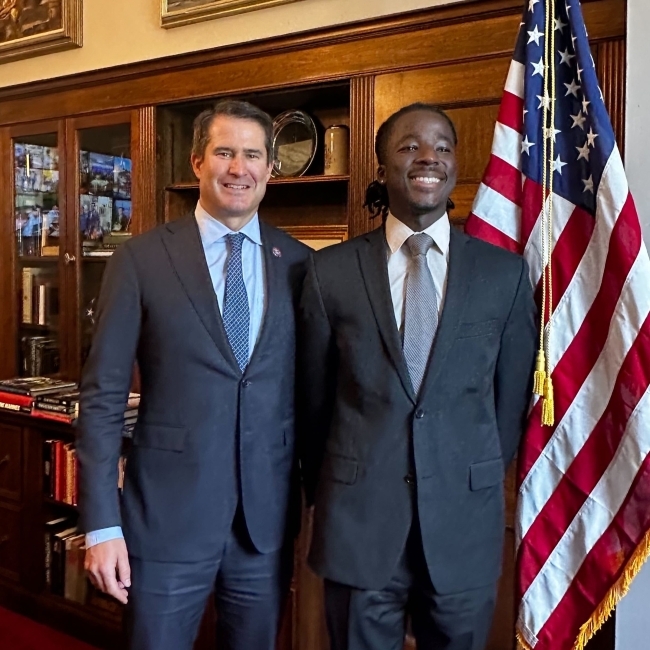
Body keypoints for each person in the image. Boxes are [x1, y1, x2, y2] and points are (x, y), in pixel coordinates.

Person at [298, 103, 537, 650]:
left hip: (461, 524)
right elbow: (312, 403)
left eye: (443, 147)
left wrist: (460, 469)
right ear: (382, 167)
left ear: (455, 166)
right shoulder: (328, 272)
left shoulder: (503, 275)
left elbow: (507, 406)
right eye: (409, 146)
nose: (428, 156)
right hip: (359, 524)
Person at [77, 100, 310, 650]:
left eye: (253, 155)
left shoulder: (300, 263)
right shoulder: (140, 260)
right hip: (165, 520)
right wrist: (102, 526)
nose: (239, 168)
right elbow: (104, 397)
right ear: (196, 162)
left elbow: (309, 395)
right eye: (224, 152)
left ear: (270, 169)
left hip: (264, 527)